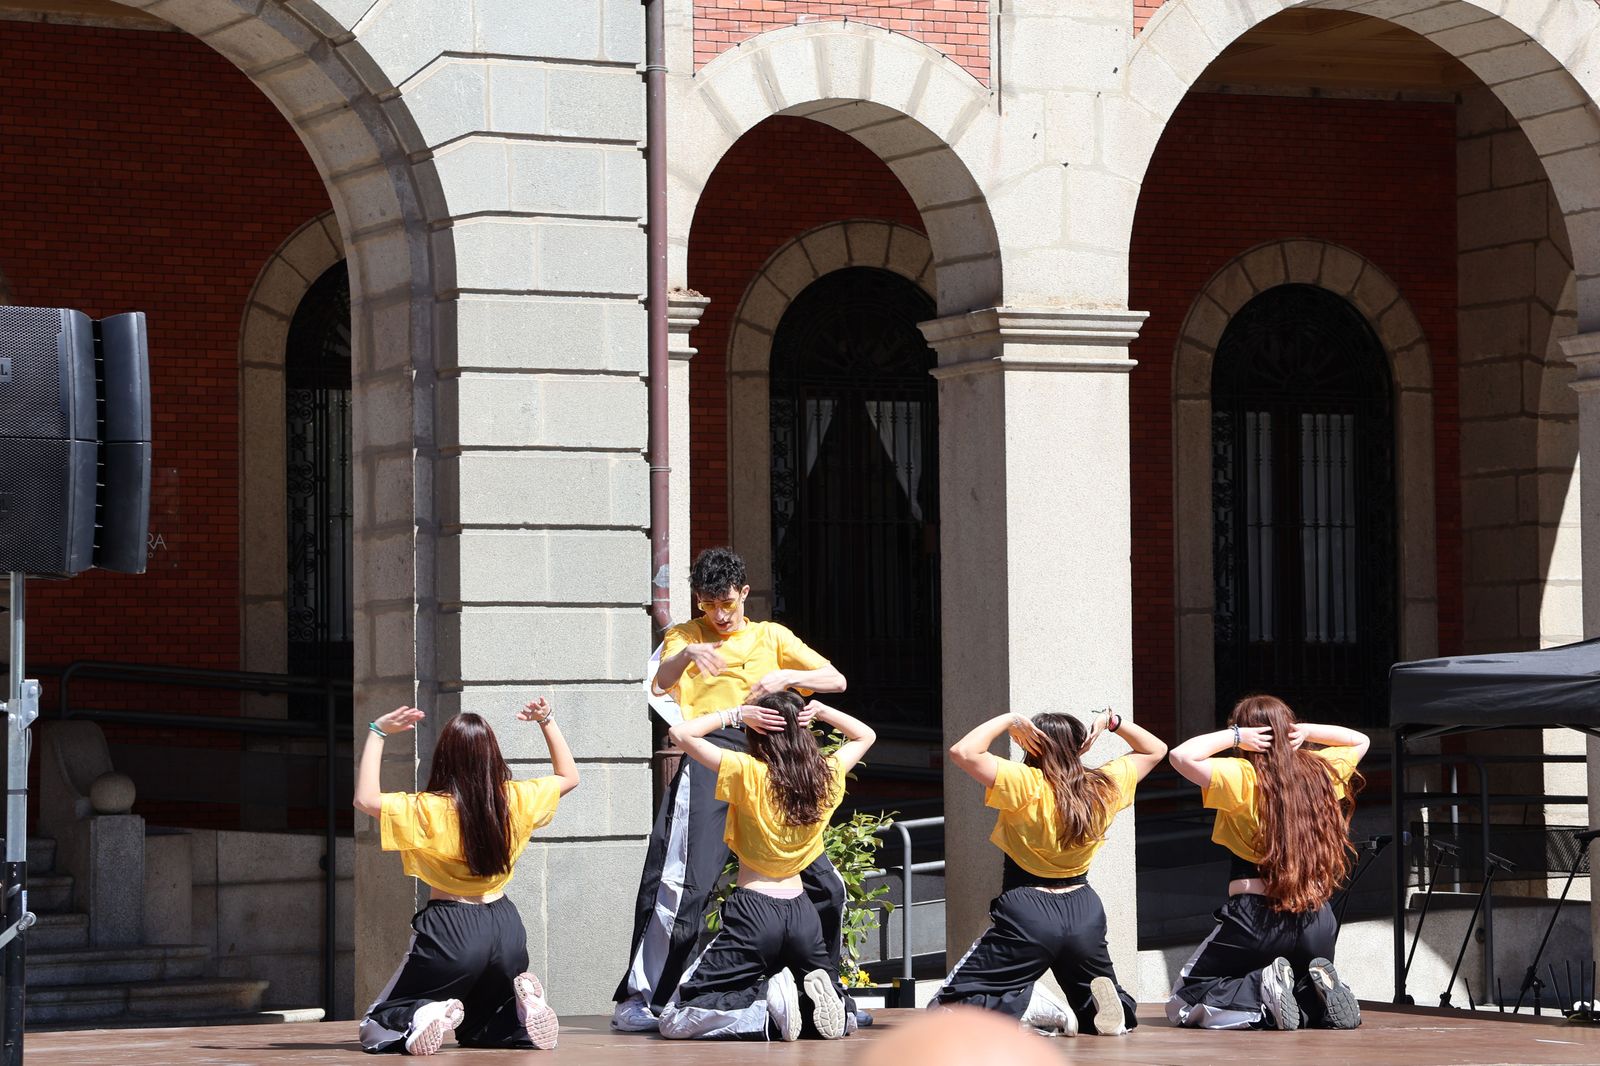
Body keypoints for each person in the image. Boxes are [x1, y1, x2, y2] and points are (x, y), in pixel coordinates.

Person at [613, 546, 851, 1032]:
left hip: (775, 758)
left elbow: (836, 680)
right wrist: (685, 655)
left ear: (744, 593)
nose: (719, 615)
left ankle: (827, 993)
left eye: (727, 603)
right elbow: (659, 685)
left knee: (824, 883)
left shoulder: (772, 635)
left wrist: (789, 675)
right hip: (711, 751)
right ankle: (645, 996)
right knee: (684, 880)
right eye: (707, 604)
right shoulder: (685, 634)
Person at [354, 699, 580, 1055]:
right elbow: (570, 777)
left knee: (376, 1025)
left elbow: (365, 799)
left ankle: (421, 1012)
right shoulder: (515, 799)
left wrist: (378, 731)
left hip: (451, 927)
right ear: (493, 755)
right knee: (484, 1026)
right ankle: (519, 1018)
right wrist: (547, 720)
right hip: (506, 930)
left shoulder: (428, 808)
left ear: (444, 758)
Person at [931, 709, 1166, 1037]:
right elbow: (1156, 749)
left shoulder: (1024, 782)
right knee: (1092, 1006)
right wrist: (1110, 723)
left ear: (1033, 745)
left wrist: (1010, 720)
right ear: (1081, 747)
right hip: (1084, 910)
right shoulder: (1104, 784)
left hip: (1028, 910)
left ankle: (1029, 1005)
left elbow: (963, 751)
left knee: (948, 1006)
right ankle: (1117, 1010)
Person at [656, 690, 875, 1041]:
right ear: (803, 732)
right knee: (822, 996)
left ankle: (764, 1009)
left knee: (674, 1017)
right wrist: (820, 710)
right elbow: (866, 735)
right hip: (804, 914)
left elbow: (681, 734)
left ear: (756, 731)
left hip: (754, 911)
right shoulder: (828, 774)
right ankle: (833, 1008)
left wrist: (735, 713)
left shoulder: (748, 772)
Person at [1164, 694, 1368, 1031]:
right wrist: (1304, 732)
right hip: (1317, 920)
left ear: (1247, 733)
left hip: (1254, 920)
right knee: (1295, 989)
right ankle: (1319, 998)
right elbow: (1361, 740)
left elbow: (1180, 755)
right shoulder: (1321, 771)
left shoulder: (1241, 775)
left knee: (1185, 998)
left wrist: (1235, 736)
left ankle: (1262, 987)